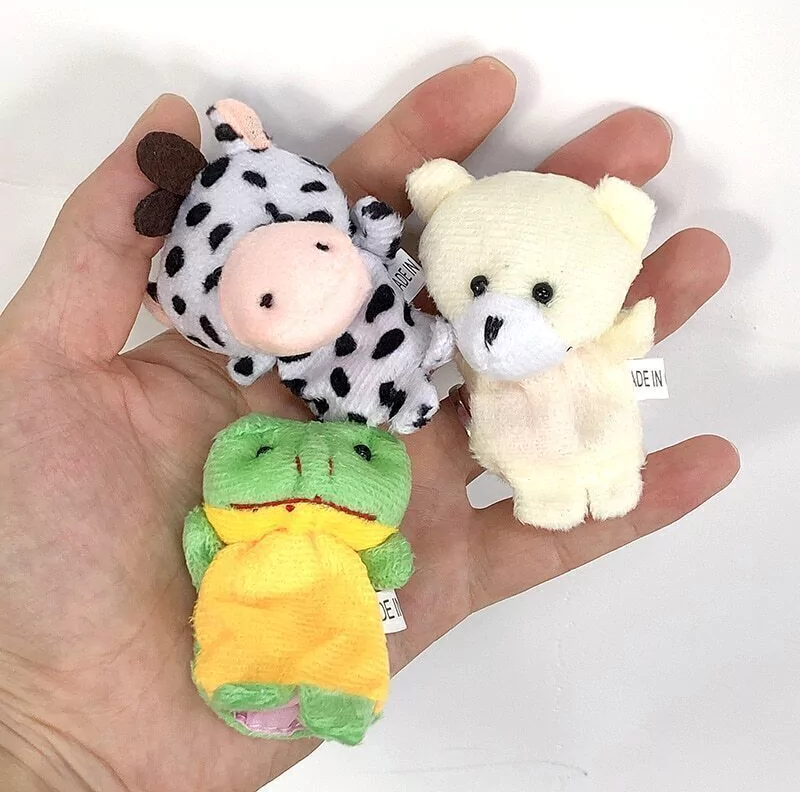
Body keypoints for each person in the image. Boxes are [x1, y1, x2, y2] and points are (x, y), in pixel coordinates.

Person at [0, 57, 738, 791]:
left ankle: (316, 678)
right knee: (333, 645)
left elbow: (220, 545)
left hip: (408, 358)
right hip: (348, 400)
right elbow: (373, 561)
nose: (308, 475)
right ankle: (312, 689)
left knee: (540, 432)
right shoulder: (301, 498)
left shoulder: (247, 516)